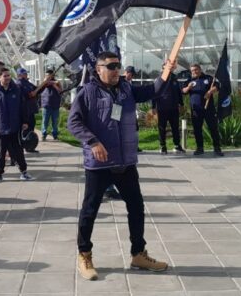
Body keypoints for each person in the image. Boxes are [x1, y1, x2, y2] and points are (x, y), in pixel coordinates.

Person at [68, 52, 172, 280]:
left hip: (125, 162)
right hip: (100, 163)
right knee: (90, 210)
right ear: (98, 69)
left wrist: (167, 72)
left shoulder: (127, 89)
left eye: (118, 65)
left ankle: (138, 254)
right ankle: (84, 255)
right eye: (111, 66)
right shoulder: (88, 93)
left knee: (136, 207)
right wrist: (93, 141)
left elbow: (153, 90)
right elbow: (73, 122)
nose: (116, 70)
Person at [0, 67, 33, 183]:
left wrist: (25, 122)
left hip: (15, 127)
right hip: (1, 128)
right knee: (0, 152)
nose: (8, 78)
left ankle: (24, 172)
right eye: (5, 76)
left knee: (18, 151)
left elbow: (23, 107)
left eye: (9, 75)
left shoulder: (16, 90)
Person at [181, 64, 223, 156]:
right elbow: (183, 91)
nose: (194, 72)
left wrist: (210, 91)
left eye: (196, 70)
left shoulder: (208, 78)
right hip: (196, 110)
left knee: (213, 128)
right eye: (192, 71)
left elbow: (217, 85)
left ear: (200, 69)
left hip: (209, 109)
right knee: (197, 129)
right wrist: (188, 87)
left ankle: (217, 148)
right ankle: (200, 148)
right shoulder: (190, 80)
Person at [152, 64, 185, 154]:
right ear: (162, 69)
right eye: (165, 68)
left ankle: (177, 146)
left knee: (175, 128)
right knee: (162, 128)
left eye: (169, 68)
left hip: (174, 108)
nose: (168, 69)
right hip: (162, 108)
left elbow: (178, 92)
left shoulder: (174, 78)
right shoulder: (158, 79)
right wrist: (153, 107)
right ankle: (163, 146)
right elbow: (154, 93)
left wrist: (181, 104)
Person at [15, 68, 39, 153]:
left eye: (26, 73)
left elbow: (37, 90)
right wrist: (31, 94)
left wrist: (45, 83)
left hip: (31, 109)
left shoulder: (27, 83)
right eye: (24, 74)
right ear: (19, 75)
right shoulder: (19, 84)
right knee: (26, 128)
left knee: (31, 127)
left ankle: (30, 146)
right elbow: (27, 95)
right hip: (25, 110)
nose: (26, 75)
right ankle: (25, 145)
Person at [40, 69, 63, 141]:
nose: (48, 76)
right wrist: (53, 82)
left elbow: (60, 90)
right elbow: (45, 83)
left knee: (55, 121)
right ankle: (44, 134)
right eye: (47, 75)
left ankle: (55, 135)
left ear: (52, 75)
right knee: (45, 121)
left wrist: (55, 85)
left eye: (49, 75)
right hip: (46, 104)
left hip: (55, 105)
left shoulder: (57, 82)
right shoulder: (44, 82)